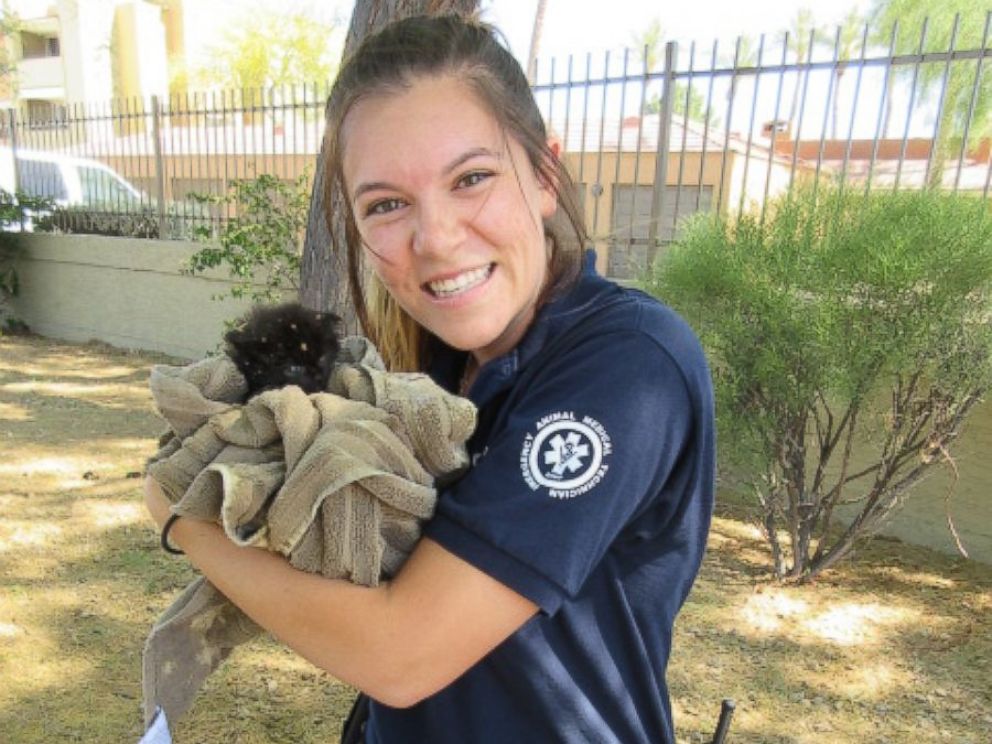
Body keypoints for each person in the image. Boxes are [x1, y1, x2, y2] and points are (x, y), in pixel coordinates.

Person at [144, 13, 715, 744]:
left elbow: (402, 652)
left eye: (471, 179)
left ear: (546, 175)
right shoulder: (429, 374)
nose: (436, 240)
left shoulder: (630, 366)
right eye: (386, 205)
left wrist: (182, 519)